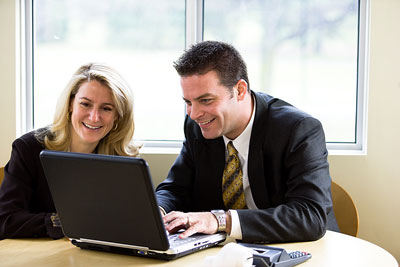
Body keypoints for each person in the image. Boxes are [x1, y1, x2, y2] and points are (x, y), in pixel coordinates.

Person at [156, 41, 339, 243]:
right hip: (226, 254)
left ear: (240, 90)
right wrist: (157, 211)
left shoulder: (298, 129)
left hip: (299, 250)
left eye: (206, 100)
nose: (194, 114)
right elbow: (176, 188)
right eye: (188, 102)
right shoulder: (198, 127)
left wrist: (221, 220)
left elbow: (310, 217)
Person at [0, 63, 139, 239]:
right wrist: (63, 222)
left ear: (118, 115)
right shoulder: (28, 149)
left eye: (106, 108)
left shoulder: (123, 158)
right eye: (85, 104)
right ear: (70, 104)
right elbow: (5, 220)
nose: (94, 117)